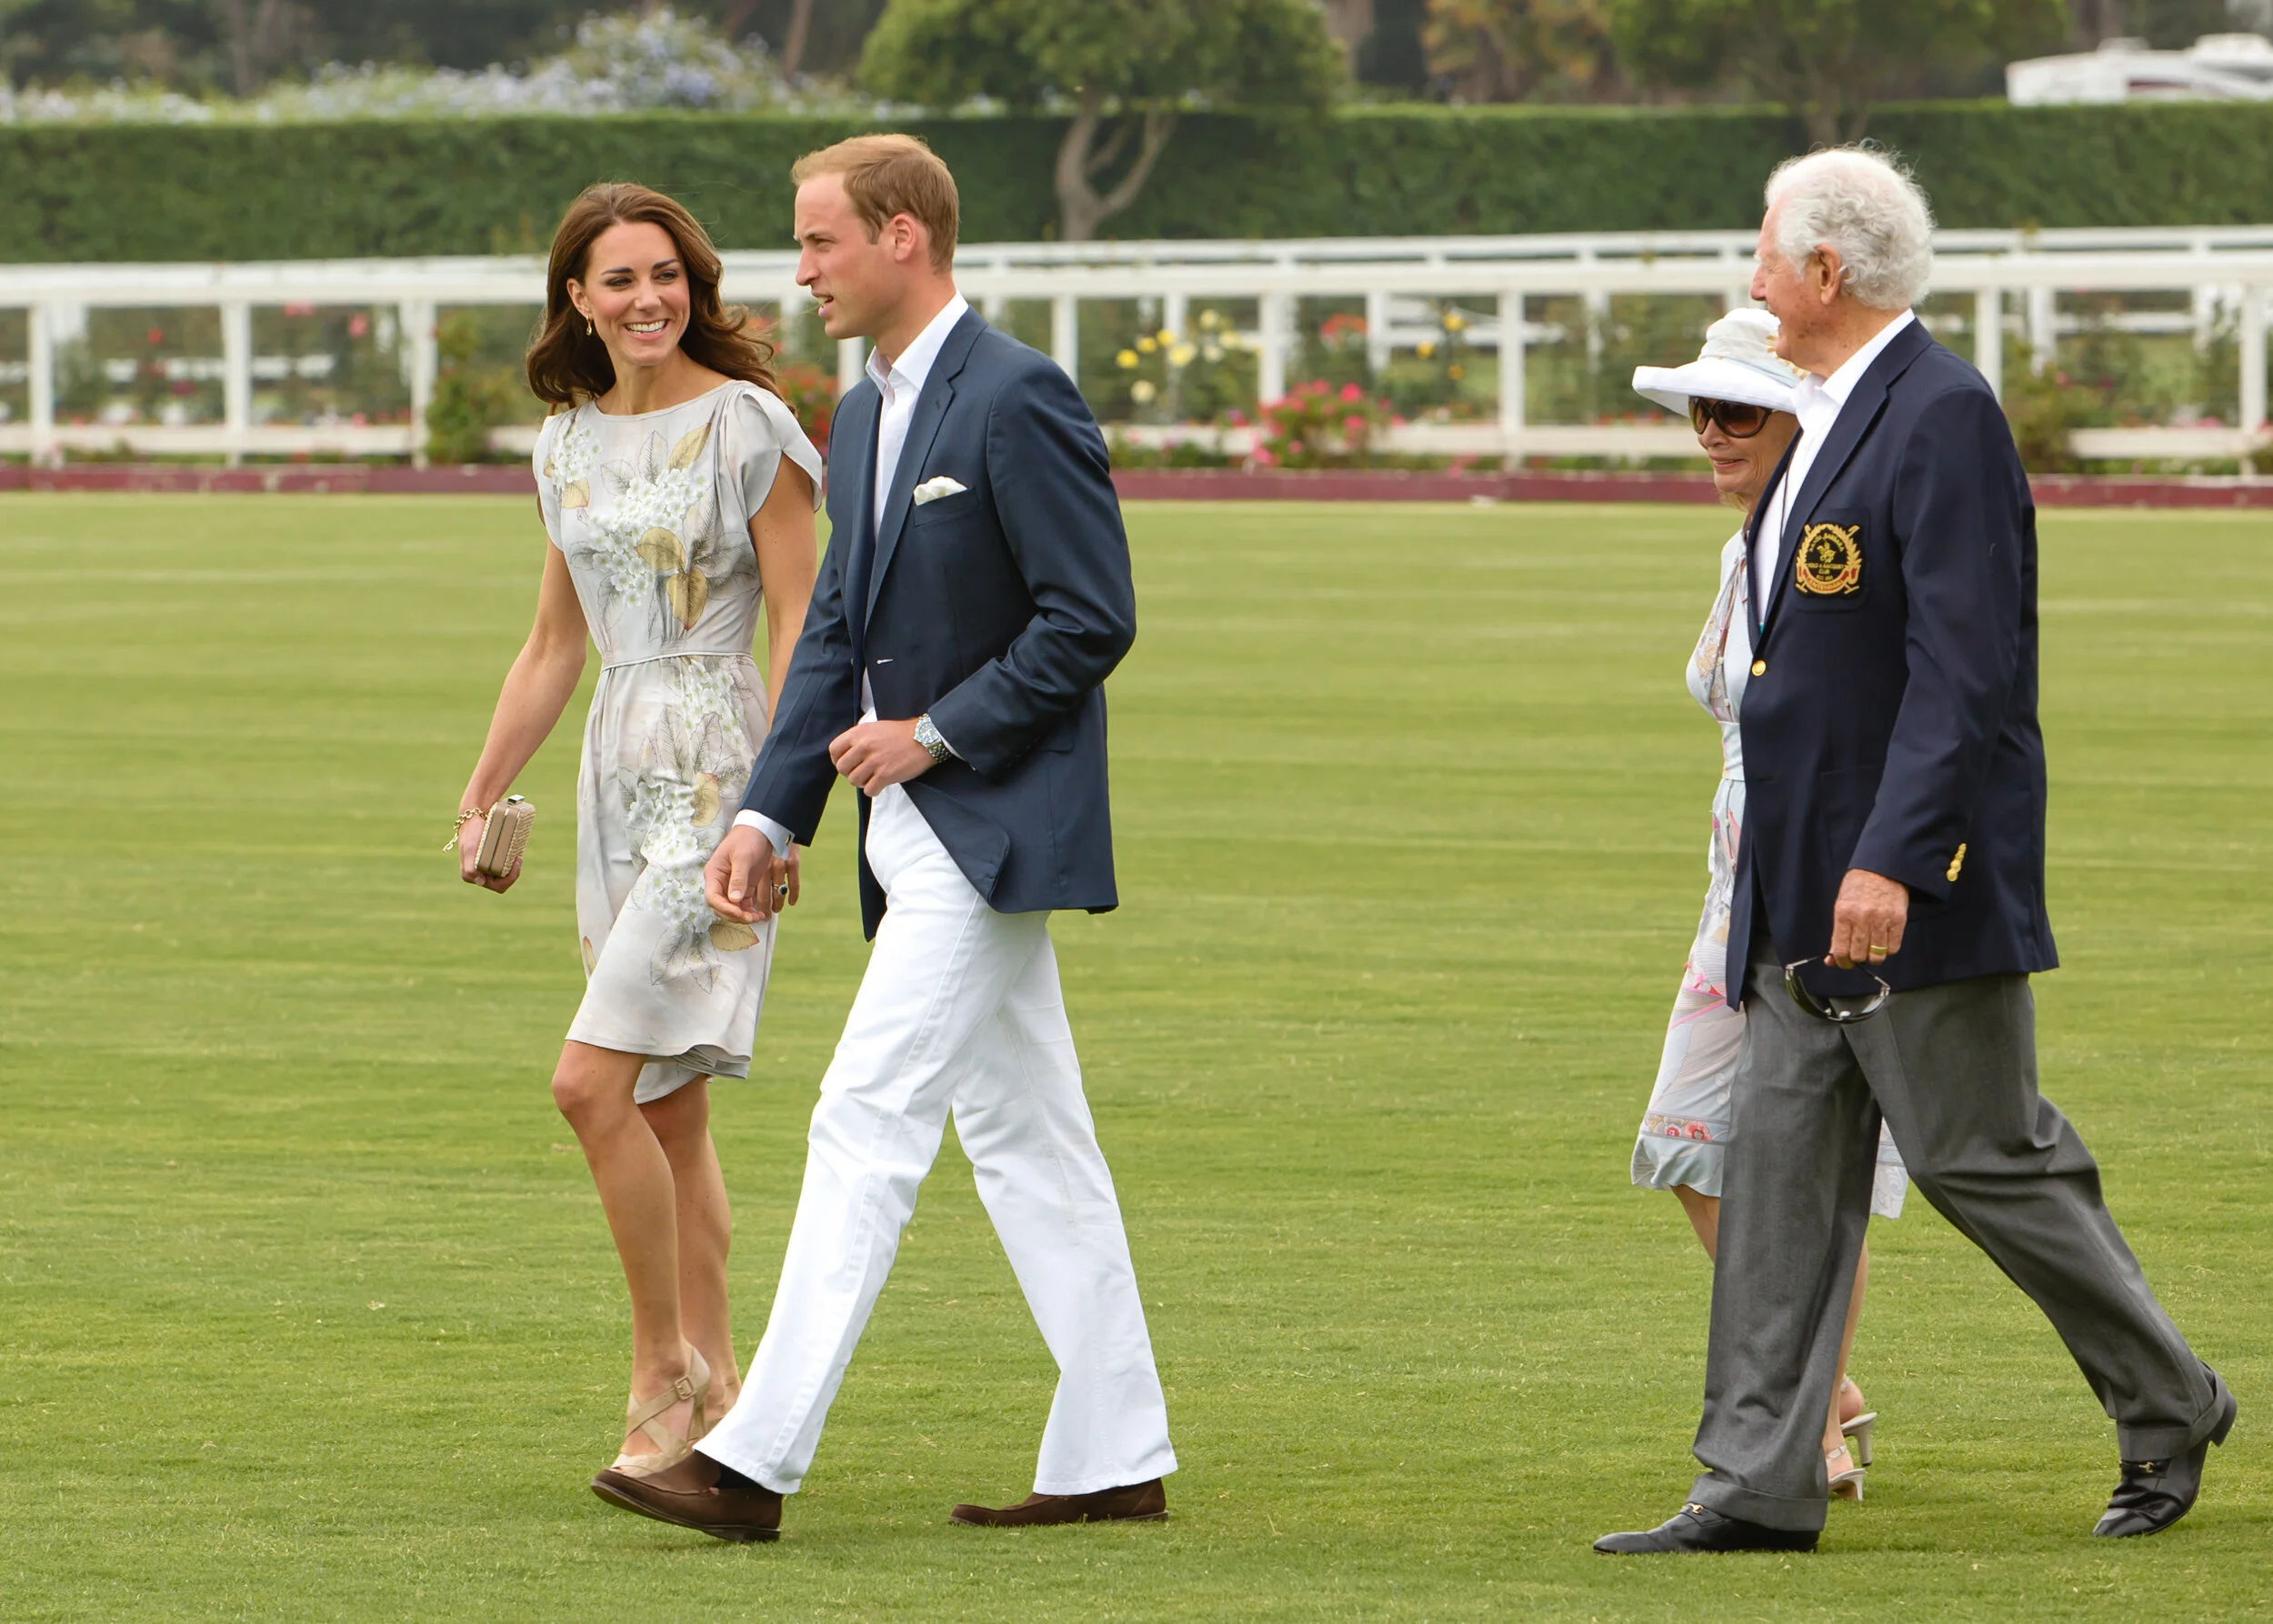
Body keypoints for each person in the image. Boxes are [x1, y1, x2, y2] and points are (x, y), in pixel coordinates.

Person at [1598, 147, 2235, 1557]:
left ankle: (2167, 1400)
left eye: (1762, 252)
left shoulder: (1938, 415)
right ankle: (1756, 1481)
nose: (1749, 277)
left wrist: (1891, 859)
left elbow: (1970, 673)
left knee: (1984, 1161)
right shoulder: (1829, 413)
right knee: (1775, 1180)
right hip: (1793, 888)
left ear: (1825, 274)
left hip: (1907, 893)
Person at [588, 134, 1177, 1544]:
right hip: (899, 824)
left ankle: (750, 1456)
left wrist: (939, 733)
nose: (799, 272)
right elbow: (838, 628)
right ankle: (1116, 1453)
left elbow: (1092, 616)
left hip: (987, 823)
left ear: (903, 236)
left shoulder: (1018, 394)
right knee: (1030, 1137)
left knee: (865, 1115)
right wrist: (767, 808)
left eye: (820, 242)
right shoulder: (864, 408)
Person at [453, 182, 821, 1487]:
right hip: (618, 773)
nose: (648, 298)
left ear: (695, 282)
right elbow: (556, 642)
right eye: (619, 279)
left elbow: (800, 624)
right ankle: (720, 1396)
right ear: (577, 298)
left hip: (723, 775)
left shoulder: (751, 426)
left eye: (665, 272)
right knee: (666, 1108)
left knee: (588, 1081)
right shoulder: (563, 445)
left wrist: (782, 808)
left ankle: (662, 1364)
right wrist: (485, 784)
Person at [1627, 307, 1906, 1503]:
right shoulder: (1745, 549)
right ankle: (1824, 1392)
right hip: (1732, 898)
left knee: (1834, 1165)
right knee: (1686, 1143)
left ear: (1800, 417)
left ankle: (1813, 1427)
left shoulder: (1836, 545)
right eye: (1700, 409)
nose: (1711, 431)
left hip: (1824, 895)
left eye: (1737, 408)